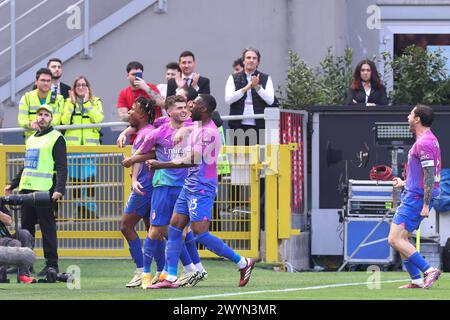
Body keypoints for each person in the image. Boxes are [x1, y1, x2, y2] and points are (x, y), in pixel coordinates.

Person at [147, 94, 255, 289]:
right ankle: (170, 277)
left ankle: (243, 262)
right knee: (174, 227)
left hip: (202, 188)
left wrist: (160, 165)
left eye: (194, 103)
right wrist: (185, 129)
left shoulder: (209, 133)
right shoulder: (198, 126)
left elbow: (192, 160)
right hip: (190, 185)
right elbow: (190, 129)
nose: (190, 105)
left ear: (204, 109)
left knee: (200, 234)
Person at [124, 95, 208, 288]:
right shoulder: (158, 132)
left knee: (180, 230)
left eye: (185, 107)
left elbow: (209, 125)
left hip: (186, 186)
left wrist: (187, 129)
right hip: (162, 187)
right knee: (158, 230)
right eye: (178, 107)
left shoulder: (194, 127)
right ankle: (150, 273)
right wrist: (132, 165)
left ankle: (186, 270)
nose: (184, 110)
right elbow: (142, 151)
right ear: (169, 111)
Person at [5, 104, 67, 277]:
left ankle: (51, 265)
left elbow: (62, 166)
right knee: (25, 229)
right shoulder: (31, 138)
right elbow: (27, 165)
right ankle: (25, 265)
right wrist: (13, 184)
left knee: (48, 229)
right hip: (27, 190)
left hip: (44, 191)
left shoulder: (57, 138)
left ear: (51, 118)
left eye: (46, 114)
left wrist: (59, 189)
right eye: (40, 114)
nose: (42, 117)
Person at [388, 104, 442, 289]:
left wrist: (425, 204)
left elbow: (429, 175)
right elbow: (423, 173)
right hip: (415, 194)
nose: (408, 117)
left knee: (394, 239)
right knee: (402, 239)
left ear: (417, 119)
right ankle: (417, 280)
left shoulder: (424, 142)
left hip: (417, 199)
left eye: (410, 114)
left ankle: (429, 270)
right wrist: (404, 183)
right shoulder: (428, 140)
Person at [120, 97, 156, 288]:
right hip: (144, 184)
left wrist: (132, 160)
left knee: (126, 226)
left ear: (142, 114)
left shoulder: (148, 133)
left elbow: (154, 154)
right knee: (154, 229)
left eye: (132, 109)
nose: (129, 112)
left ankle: (142, 270)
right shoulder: (143, 131)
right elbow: (140, 159)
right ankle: (162, 270)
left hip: (145, 186)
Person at [61, 76, 104, 219]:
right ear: (73, 88)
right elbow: (64, 121)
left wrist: (86, 103)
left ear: (88, 87)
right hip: (72, 148)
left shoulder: (96, 102)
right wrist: (73, 104)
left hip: (90, 148)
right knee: (75, 180)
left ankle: (91, 209)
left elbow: (98, 120)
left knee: (89, 179)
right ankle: (78, 210)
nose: (81, 87)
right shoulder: (67, 102)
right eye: (78, 85)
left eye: (84, 84)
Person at [225, 47, 275, 145]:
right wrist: (245, 89)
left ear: (258, 62)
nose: (251, 60)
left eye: (254, 58)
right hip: (237, 125)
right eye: (248, 58)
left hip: (260, 125)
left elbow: (270, 100)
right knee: (238, 158)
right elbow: (228, 100)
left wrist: (257, 87)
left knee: (260, 158)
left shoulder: (266, 78)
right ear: (243, 61)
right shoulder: (233, 77)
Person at [117, 61, 163, 143]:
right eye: (133, 74)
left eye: (139, 74)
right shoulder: (124, 93)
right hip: (135, 137)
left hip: (156, 134)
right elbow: (122, 116)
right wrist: (138, 115)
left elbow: (161, 102)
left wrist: (146, 88)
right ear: (128, 76)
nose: (136, 77)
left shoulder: (151, 87)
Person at [18, 68, 65, 141]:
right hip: (32, 141)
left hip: (51, 141)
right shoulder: (26, 97)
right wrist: (30, 123)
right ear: (36, 82)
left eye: (48, 81)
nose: (46, 83)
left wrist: (38, 124)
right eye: (43, 80)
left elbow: (56, 121)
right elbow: (22, 119)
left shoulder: (59, 99)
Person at [0, 204, 36, 284]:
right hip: (5, 241)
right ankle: (1, 274)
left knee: (24, 234)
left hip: (5, 238)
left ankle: (23, 274)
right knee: (14, 243)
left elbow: (9, 221)